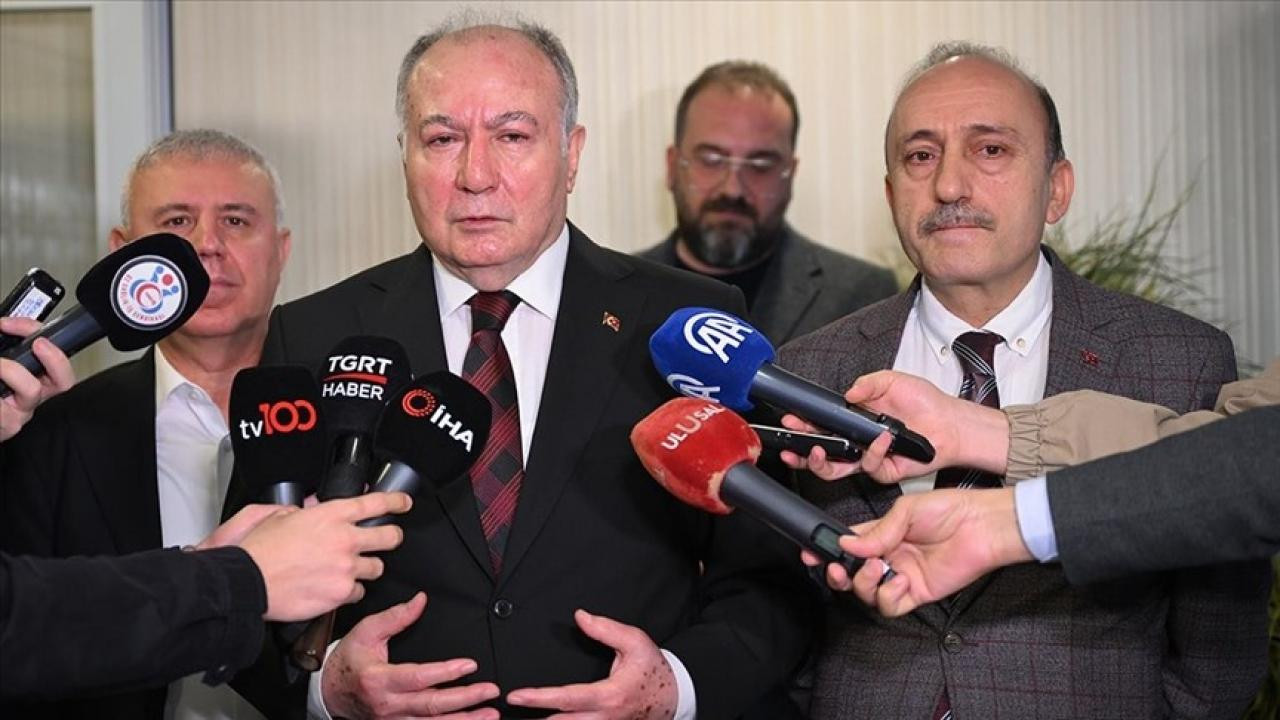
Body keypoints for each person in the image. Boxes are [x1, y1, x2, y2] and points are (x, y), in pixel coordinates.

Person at [225, 17, 810, 720]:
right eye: (442, 139)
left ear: (572, 155)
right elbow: (234, 590)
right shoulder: (314, 334)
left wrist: (676, 690)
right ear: (405, 156)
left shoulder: (688, 325)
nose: (475, 176)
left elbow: (772, 581)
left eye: (512, 136)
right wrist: (326, 691)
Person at [774, 41, 1268, 718]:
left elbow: (1219, 644)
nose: (949, 186)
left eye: (991, 150)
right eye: (920, 156)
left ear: (1056, 189)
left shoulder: (1179, 361)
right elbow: (782, 619)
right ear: (891, 194)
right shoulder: (809, 371)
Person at [1, 129, 293, 719]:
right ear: (122, 254)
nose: (207, 246)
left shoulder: (355, 418)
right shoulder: (45, 432)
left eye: (236, 221)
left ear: (281, 250)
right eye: (177, 222)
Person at [0, 314, 411, 702]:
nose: (211, 262)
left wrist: (322, 692)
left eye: (237, 233)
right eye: (177, 236)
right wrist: (237, 578)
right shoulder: (59, 421)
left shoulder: (343, 406)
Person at [782, 362, 1279, 611]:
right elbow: (1239, 449)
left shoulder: (1179, 349)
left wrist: (1004, 523)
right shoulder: (823, 350)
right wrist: (969, 434)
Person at [636, 61, 896, 345]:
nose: (733, 190)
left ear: (790, 174)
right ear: (672, 167)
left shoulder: (863, 296)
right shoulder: (617, 290)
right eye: (711, 160)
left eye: (760, 165)